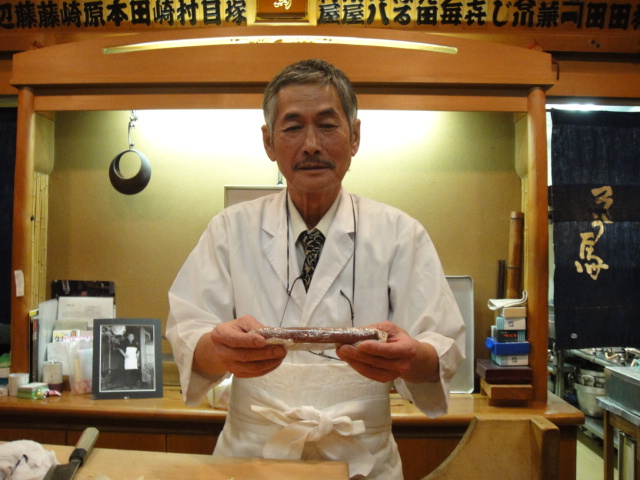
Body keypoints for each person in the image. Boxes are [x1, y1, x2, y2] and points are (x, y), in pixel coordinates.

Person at [166, 59, 465, 480]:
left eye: (327, 125)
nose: (310, 145)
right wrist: (222, 350)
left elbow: (441, 345)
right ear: (269, 142)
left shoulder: (400, 232)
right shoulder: (230, 228)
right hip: (251, 456)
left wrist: (410, 357)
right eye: (292, 127)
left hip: (363, 459)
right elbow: (188, 328)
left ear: (355, 136)